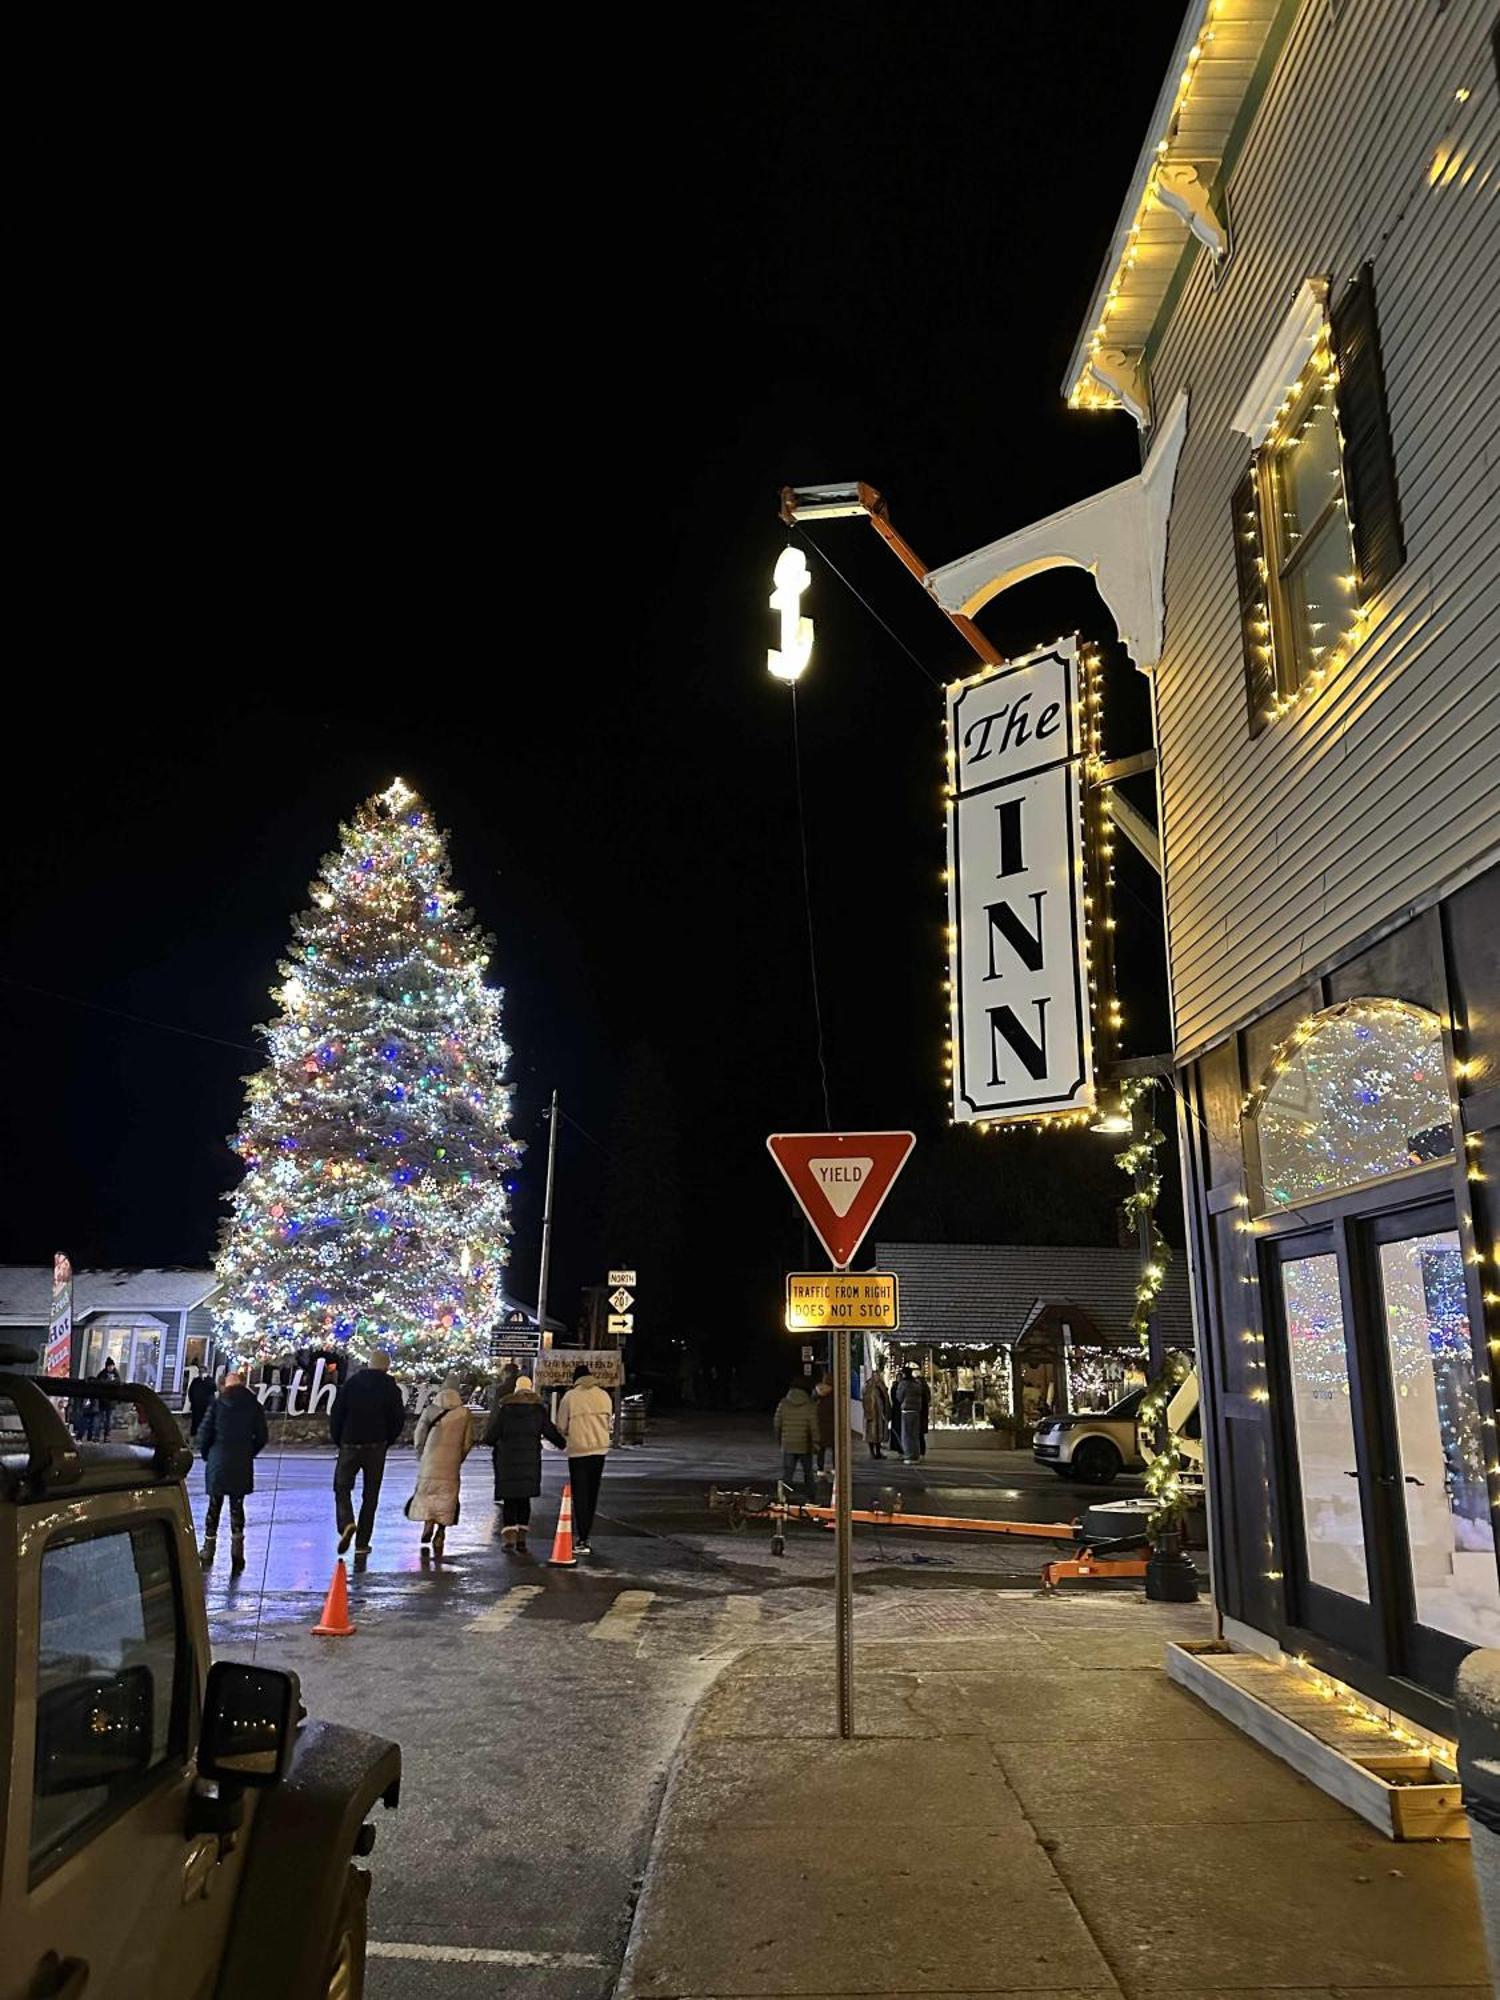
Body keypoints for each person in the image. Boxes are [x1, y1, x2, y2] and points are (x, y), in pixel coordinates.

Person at [329, 1349, 406, 1558]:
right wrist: (388, 1439)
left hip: (350, 1442)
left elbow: (337, 1413)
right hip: (376, 1445)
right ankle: (363, 1542)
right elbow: (398, 1419)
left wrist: (340, 1439)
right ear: (387, 1366)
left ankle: (346, 1522)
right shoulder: (391, 1388)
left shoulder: (352, 1384)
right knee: (370, 1496)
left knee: (342, 1487)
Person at [484, 1373, 565, 1553]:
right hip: (529, 1461)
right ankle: (522, 1537)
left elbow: (491, 1436)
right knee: (524, 1499)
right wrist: (563, 1443)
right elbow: (551, 1432)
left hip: (507, 1461)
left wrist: (493, 1441)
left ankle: (509, 1536)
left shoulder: (505, 1409)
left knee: (510, 1499)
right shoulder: (538, 1410)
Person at [197, 1370, 269, 1571]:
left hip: (218, 1459)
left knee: (214, 1505)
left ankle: (208, 1549)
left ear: (225, 1385)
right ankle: (237, 1553)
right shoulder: (254, 1406)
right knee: (237, 1506)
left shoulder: (218, 1405)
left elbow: (204, 1434)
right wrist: (249, 1452)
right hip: (241, 1461)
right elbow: (262, 1436)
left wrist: (207, 1455)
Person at [410, 1379, 474, 1559]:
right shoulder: (464, 1414)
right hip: (451, 1463)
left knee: (427, 1494)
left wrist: (422, 1455)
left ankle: (427, 1523)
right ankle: (441, 1532)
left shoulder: (430, 1410)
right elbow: (468, 1441)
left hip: (430, 1460)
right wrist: (459, 1457)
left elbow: (419, 1436)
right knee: (447, 1498)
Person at [555, 1363, 613, 1555]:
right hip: (600, 1450)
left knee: (580, 1494)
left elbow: (561, 1425)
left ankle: (581, 1537)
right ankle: (586, 1535)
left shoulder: (570, 1397)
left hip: (578, 1451)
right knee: (592, 1492)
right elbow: (609, 1424)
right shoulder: (604, 1395)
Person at [773, 1373, 819, 1502]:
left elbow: (777, 1423)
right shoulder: (809, 1404)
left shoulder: (783, 1403)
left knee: (788, 1473)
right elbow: (813, 1426)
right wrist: (816, 1443)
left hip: (788, 1444)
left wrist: (780, 1440)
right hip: (804, 1445)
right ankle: (811, 1498)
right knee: (808, 1473)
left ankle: (784, 1497)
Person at [894, 1365, 927, 1464]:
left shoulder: (903, 1384)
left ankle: (908, 1455)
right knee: (915, 1434)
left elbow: (899, 1397)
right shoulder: (917, 1384)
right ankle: (916, 1455)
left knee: (907, 1434)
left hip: (906, 1411)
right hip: (916, 1410)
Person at [861, 1364, 890, 1459]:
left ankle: (878, 1452)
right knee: (871, 1434)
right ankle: (872, 1452)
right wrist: (868, 1412)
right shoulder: (868, 1386)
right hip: (872, 1414)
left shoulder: (881, 1385)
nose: (877, 1376)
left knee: (878, 1435)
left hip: (880, 1414)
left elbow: (885, 1398)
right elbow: (866, 1400)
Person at [811, 1368, 835, 1479]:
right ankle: (835, 1467)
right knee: (835, 1447)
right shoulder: (834, 1394)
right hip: (832, 1425)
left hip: (820, 1424)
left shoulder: (817, 1392)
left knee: (821, 1449)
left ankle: (820, 1469)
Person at [187, 1366, 216, 1439]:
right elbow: (190, 1391)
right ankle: (195, 1436)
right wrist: (192, 1401)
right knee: (196, 1421)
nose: (200, 1373)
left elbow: (213, 1389)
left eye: (202, 1371)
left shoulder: (210, 1380)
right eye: (200, 1372)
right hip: (196, 1406)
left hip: (206, 1406)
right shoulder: (195, 1381)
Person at [96, 1357, 120, 1440]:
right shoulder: (102, 1374)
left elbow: (118, 1383)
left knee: (108, 1420)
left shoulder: (116, 1375)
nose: (111, 1368)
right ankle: (97, 1436)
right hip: (103, 1400)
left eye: (112, 1366)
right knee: (100, 1419)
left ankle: (106, 1436)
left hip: (111, 1401)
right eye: (109, 1366)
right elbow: (99, 1383)